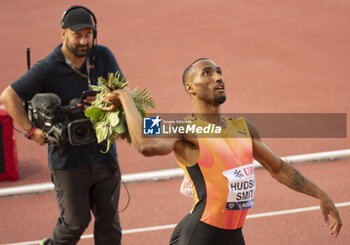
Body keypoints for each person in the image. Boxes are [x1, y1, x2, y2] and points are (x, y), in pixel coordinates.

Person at [103, 58, 342, 245]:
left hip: (233, 236)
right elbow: (146, 144)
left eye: (219, 72)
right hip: (198, 236)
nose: (218, 77)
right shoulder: (182, 126)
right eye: (207, 73)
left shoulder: (243, 127)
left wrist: (319, 194)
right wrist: (125, 97)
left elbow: (277, 168)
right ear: (190, 87)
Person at [0, 5, 124, 245]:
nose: (84, 40)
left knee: (109, 223)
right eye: (77, 35)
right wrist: (31, 130)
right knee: (74, 223)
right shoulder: (48, 67)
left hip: (103, 154)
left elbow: (124, 92)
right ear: (63, 34)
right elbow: (9, 96)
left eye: (88, 34)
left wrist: (108, 98)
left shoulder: (103, 56)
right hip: (67, 159)